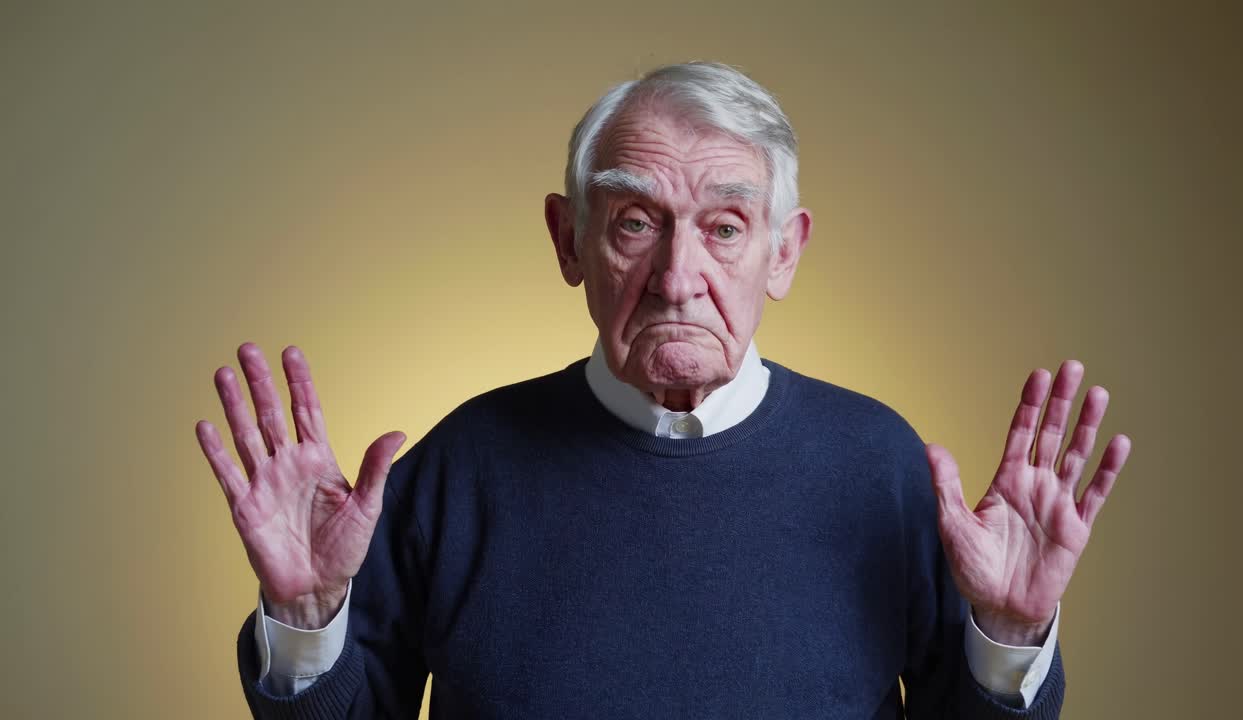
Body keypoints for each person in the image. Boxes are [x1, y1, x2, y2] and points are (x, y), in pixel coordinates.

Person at [195, 62, 1131, 719]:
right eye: (637, 220)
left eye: (725, 227)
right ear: (569, 241)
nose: (679, 274)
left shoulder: (882, 468)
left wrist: (1008, 634)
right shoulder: (459, 469)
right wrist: (308, 619)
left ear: (785, 250)